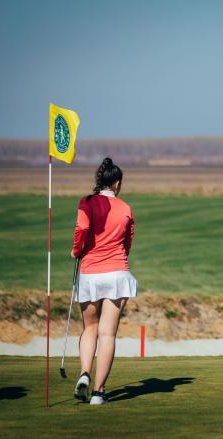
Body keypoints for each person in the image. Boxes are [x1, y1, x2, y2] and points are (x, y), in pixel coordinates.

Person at [71, 157, 137, 405]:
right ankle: (98, 393)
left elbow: (81, 229)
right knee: (107, 334)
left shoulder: (86, 202)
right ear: (117, 183)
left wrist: (77, 250)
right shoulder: (126, 208)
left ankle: (85, 374)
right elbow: (128, 243)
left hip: (90, 273)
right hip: (117, 273)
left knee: (90, 328)